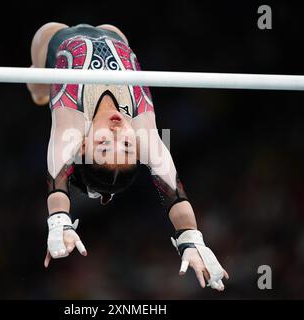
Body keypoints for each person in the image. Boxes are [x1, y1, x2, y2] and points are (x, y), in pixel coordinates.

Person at [27, 23, 229, 291]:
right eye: (125, 145)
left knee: (37, 88)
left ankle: (37, 91)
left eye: (104, 144)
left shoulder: (72, 125)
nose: (117, 130)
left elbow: (58, 173)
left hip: (53, 38)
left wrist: (59, 218)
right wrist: (191, 238)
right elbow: (173, 192)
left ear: (83, 147)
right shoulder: (143, 132)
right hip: (116, 34)